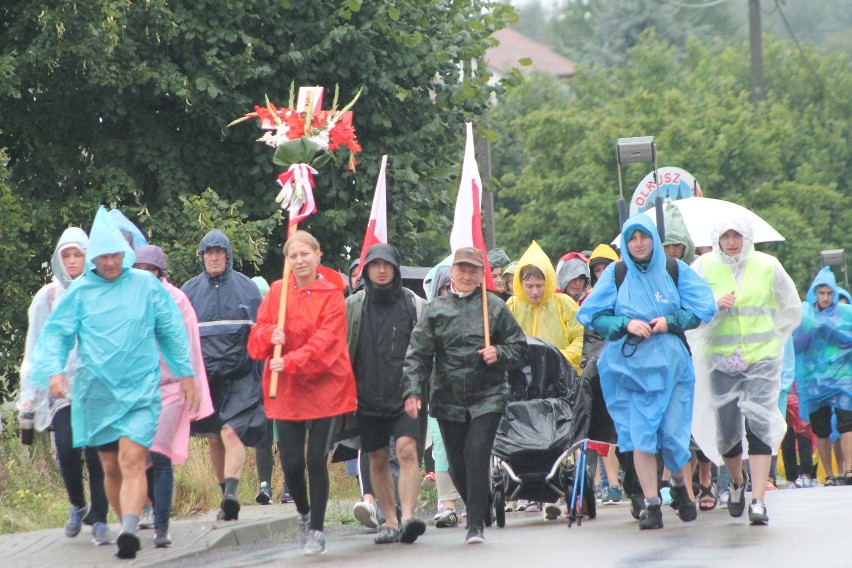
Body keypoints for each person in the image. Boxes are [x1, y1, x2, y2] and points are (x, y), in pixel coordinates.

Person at [30, 207, 199, 559]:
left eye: (116, 256)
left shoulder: (146, 285)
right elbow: (56, 335)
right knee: (110, 466)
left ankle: (129, 527)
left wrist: (186, 375)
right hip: (97, 395)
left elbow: (170, 330)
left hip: (140, 391)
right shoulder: (81, 293)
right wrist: (55, 372)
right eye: (103, 256)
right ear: (94, 258)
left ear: (126, 255)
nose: (110, 263)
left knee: (134, 458)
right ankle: (127, 525)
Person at [576, 214, 716, 530]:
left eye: (644, 237)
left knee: (673, 437)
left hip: (671, 370)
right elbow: (593, 315)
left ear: (654, 238)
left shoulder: (674, 270)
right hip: (628, 370)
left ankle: (679, 484)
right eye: (632, 239)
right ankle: (652, 504)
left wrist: (671, 322)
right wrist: (624, 324)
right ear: (625, 243)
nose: (638, 244)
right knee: (639, 435)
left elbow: (703, 308)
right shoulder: (616, 273)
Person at [403, 247, 527, 544]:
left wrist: (498, 352)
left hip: (488, 395)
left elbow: (521, 348)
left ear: (482, 274)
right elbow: (417, 355)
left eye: (474, 270)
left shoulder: (494, 307)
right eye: (462, 269)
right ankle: (479, 505)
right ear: (453, 272)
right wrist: (411, 390)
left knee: (476, 452)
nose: (468, 275)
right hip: (447, 398)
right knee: (457, 466)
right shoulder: (436, 310)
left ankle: (475, 527)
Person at [247, 230, 357, 555]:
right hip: (287, 390)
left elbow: (328, 343)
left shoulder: (332, 294)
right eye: (293, 256)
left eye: (304, 254)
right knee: (293, 463)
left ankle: (318, 530)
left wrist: (292, 360)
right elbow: (256, 336)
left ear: (318, 255)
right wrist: (271, 333)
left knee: (315, 459)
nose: (299, 260)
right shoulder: (278, 291)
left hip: (324, 386)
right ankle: (304, 513)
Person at [691, 216, 802, 526]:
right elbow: (690, 311)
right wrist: (713, 305)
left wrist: (774, 340)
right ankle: (738, 482)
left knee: (759, 427)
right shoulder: (702, 268)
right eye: (725, 235)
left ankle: (758, 500)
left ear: (746, 236)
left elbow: (790, 308)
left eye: (736, 235)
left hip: (761, 360)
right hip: (721, 361)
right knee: (727, 435)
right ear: (716, 238)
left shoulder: (768, 265)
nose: (731, 241)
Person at [18, 227, 111, 545]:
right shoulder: (48, 297)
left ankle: (100, 518)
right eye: (66, 255)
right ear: (59, 259)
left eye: (78, 255)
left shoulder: (99, 291)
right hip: (61, 387)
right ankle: (77, 503)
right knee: (68, 450)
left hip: (95, 385)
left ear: (88, 257)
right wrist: (28, 399)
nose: (72, 261)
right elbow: (34, 347)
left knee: (98, 453)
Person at [132, 246, 214, 547]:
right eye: (137, 268)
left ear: (159, 271)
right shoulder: (129, 300)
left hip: (172, 386)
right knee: (139, 457)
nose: (143, 275)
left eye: (148, 269)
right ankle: (151, 508)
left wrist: (189, 381)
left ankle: (162, 527)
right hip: (140, 388)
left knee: (160, 453)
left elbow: (188, 342)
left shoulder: (176, 299)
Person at [183, 230, 266, 522]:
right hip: (206, 380)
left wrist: (262, 380)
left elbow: (261, 338)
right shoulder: (189, 292)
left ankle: (232, 493)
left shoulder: (248, 290)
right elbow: (181, 341)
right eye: (209, 252)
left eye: (219, 251)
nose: (214, 257)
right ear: (202, 257)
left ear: (228, 256)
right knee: (215, 439)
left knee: (231, 433)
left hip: (241, 377)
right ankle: (224, 499)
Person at [345, 244, 426, 544]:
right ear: (365, 269)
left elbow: (423, 348)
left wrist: (417, 387)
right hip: (367, 396)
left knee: (406, 450)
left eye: (386, 264)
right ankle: (389, 520)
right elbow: (343, 351)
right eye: (374, 264)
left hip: (406, 393)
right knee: (377, 458)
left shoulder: (411, 303)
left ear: (395, 268)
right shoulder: (354, 305)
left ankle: (408, 517)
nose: (381, 270)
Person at [792, 267, 852, 486]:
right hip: (815, 380)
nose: (826, 297)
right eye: (821, 293)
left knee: (847, 423)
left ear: (835, 293)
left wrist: (836, 332)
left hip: (843, 379)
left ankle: (849, 470)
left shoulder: (846, 314)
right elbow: (796, 344)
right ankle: (828, 474)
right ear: (815, 293)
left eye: (829, 293)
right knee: (822, 428)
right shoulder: (805, 315)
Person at [507, 241, 584, 375]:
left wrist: (559, 357)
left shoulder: (564, 303)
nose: (535, 292)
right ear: (520, 284)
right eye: (529, 286)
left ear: (548, 282)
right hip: (523, 376)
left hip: (561, 374)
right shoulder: (511, 306)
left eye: (539, 285)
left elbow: (581, 337)